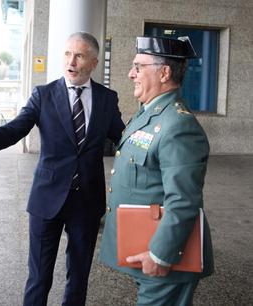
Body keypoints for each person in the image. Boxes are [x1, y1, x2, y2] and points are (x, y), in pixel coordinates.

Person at [0, 31, 125, 305]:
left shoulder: (107, 98)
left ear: (93, 62)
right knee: (39, 277)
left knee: (79, 277)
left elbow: (122, 138)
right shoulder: (44, 95)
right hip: (47, 198)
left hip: (87, 200)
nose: (71, 61)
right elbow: (16, 128)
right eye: (67, 54)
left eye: (79, 55)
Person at [99, 36, 214, 305]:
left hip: (164, 255)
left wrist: (160, 255)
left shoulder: (177, 126)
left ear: (164, 73)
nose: (131, 74)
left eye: (139, 67)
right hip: (143, 243)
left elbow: (184, 201)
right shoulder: (148, 114)